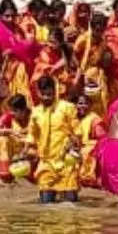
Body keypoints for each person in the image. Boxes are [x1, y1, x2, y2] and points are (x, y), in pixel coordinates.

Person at [29, 75, 80, 203]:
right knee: (46, 204)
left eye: (50, 94)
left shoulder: (67, 108)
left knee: (71, 204)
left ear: (55, 91)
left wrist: (73, 143)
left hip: (66, 161)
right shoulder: (36, 112)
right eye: (43, 94)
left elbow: (78, 132)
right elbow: (32, 135)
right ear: (38, 93)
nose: (47, 98)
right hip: (46, 162)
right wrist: (25, 153)